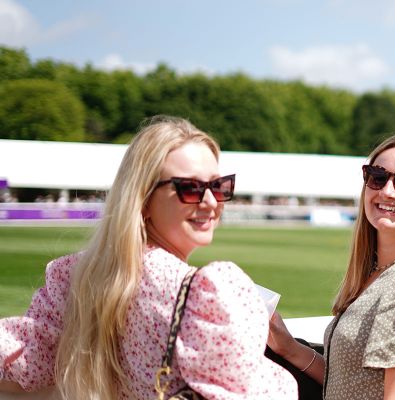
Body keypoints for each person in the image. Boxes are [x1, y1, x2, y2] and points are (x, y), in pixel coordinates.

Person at [0, 116, 296, 399]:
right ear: (143, 198)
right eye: (190, 188)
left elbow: (23, 363)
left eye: (219, 186)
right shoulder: (209, 293)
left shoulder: (74, 275)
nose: (210, 202)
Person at [268, 134, 395, 400]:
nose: (387, 191)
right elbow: (351, 384)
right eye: (377, 177)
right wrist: (288, 347)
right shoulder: (379, 272)